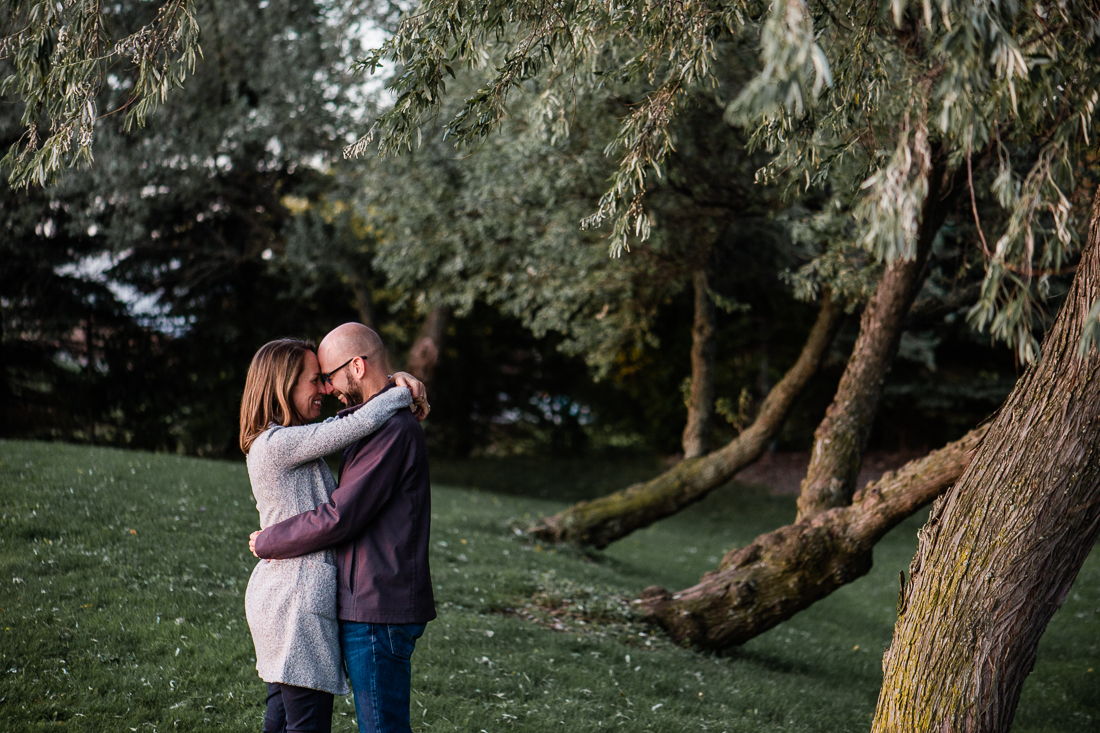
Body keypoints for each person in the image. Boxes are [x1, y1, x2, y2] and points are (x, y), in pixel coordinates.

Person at [250, 323, 436, 733]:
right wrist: (397, 387)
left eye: (327, 377)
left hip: (374, 603)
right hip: (316, 602)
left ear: (355, 366)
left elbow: (341, 515)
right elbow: (351, 424)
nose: (328, 389)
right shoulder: (291, 440)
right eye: (316, 381)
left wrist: (268, 540)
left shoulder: (390, 429)